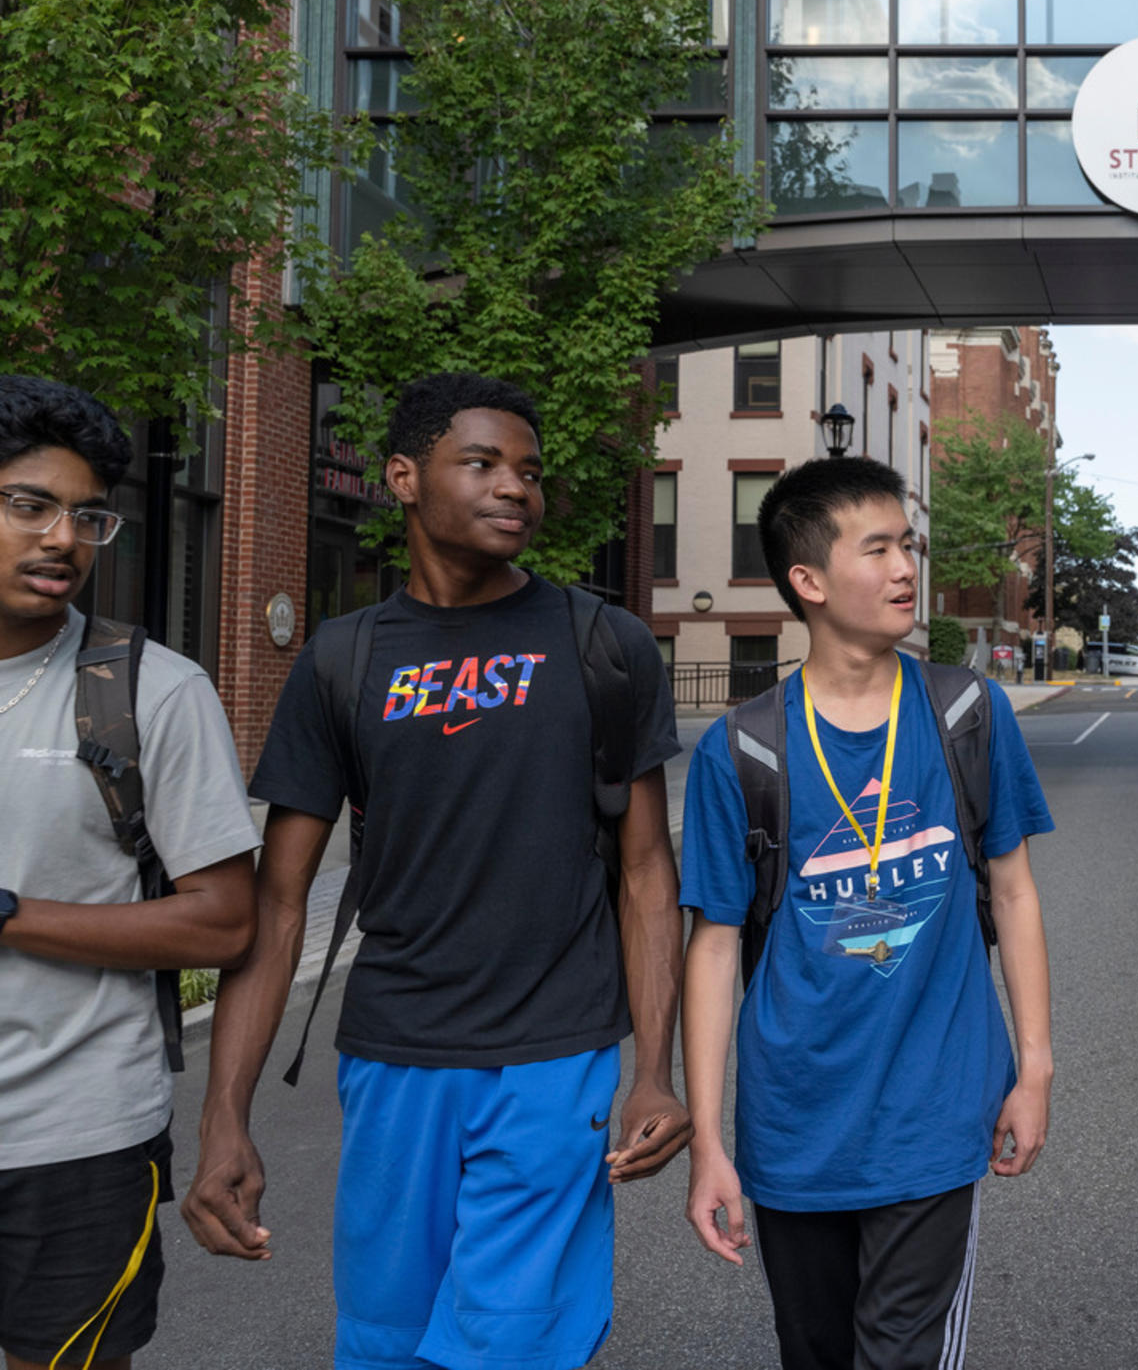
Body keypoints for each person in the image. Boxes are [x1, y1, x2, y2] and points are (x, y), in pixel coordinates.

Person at [184, 373, 689, 1370]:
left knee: (509, 1343)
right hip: (392, 1055)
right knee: (388, 1343)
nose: (517, 489)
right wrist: (224, 1119)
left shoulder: (604, 644)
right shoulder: (343, 659)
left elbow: (645, 875)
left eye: (531, 472)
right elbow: (279, 904)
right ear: (404, 477)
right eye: (485, 462)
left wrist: (656, 1071)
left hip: (556, 1052)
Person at [680, 457, 1056, 1370]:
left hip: (934, 1114)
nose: (905, 569)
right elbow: (715, 947)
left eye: (908, 545)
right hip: (796, 1121)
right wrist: (707, 1139)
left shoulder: (966, 711)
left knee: (900, 1356)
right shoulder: (742, 750)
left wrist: (1036, 1065)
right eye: (878, 547)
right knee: (814, 1353)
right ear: (808, 580)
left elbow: (1012, 889)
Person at [0, 377, 260, 1370]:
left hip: (77, 1137)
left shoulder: (156, 689)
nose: (63, 537)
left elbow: (221, 923)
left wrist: (12, 914)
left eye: (87, 515)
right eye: (30, 504)